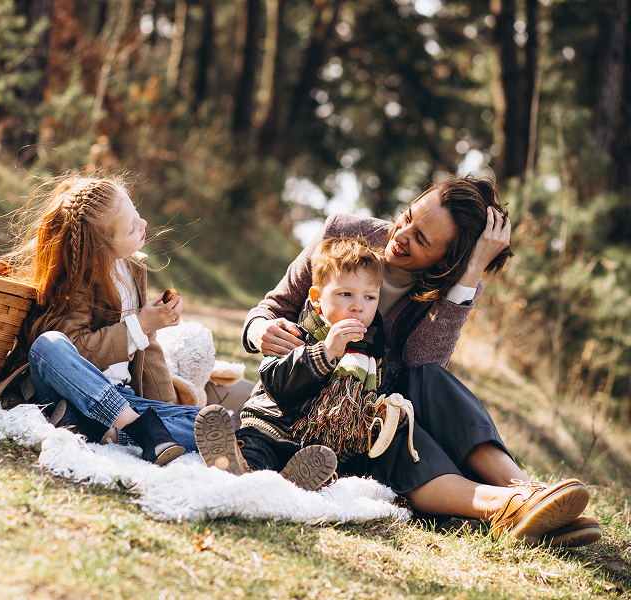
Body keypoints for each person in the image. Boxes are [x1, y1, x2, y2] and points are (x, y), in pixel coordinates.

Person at [234, 175, 601, 547]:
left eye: (421, 239)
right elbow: (272, 305)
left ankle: (526, 492)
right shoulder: (342, 235)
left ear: (449, 260)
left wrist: (468, 275)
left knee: (426, 385)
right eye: (407, 216)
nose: (401, 235)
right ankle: (511, 504)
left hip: (374, 408)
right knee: (396, 428)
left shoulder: (454, 286)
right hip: (315, 400)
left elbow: (421, 365)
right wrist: (259, 329)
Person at [0, 174, 202, 465]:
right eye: (131, 228)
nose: (143, 225)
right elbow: (72, 351)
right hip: (70, 388)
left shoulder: (132, 270)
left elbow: (147, 353)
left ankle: (100, 429)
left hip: (117, 398)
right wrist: (140, 326)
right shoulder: (77, 280)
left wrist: (164, 405)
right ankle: (140, 429)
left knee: (208, 421)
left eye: (137, 215)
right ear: (101, 247)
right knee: (48, 345)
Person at [196, 237, 418, 491]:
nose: (358, 307)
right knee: (256, 449)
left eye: (370, 297)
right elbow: (274, 383)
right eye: (346, 294)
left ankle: (294, 484)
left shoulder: (373, 357)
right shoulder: (294, 334)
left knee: (325, 463)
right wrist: (324, 352)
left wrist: (386, 415)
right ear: (316, 298)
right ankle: (237, 467)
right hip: (271, 427)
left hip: (316, 448)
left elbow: (359, 409)